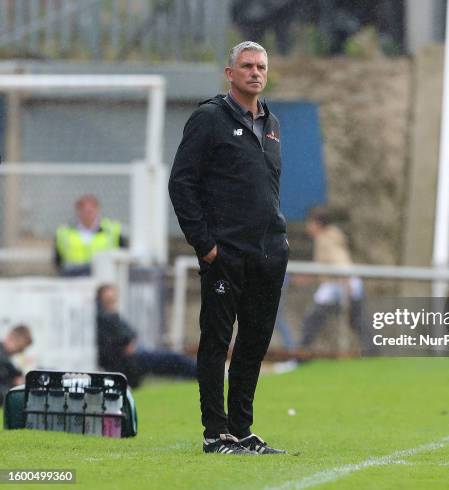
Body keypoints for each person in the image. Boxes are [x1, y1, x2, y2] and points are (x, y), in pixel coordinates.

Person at [169, 41, 289, 455]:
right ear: (230, 73)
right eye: (247, 66)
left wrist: (278, 237)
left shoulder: (272, 122)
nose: (255, 72)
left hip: (268, 254)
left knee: (253, 343)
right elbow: (181, 184)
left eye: (261, 66)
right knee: (217, 342)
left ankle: (241, 429)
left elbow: (267, 189)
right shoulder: (208, 118)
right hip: (225, 255)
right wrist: (205, 246)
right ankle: (214, 433)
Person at [96, 284, 197, 388]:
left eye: (113, 299)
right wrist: (125, 345)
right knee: (174, 360)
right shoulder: (102, 317)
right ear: (101, 299)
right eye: (108, 299)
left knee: (174, 359)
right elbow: (120, 340)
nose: (112, 301)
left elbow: (131, 332)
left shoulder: (111, 316)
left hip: (134, 356)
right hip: (130, 359)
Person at [298, 207, 364, 349]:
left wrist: (347, 282)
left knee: (312, 320)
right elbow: (325, 268)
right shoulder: (328, 237)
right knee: (357, 322)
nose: (308, 227)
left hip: (339, 287)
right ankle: (373, 353)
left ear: (318, 224)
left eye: (310, 223)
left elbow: (340, 262)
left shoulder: (327, 239)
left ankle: (301, 355)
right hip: (342, 285)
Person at [54, 194, 126, 276]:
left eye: (90, 211)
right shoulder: (64, 232)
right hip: (73, 276)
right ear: (78, 212)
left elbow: (123, 253)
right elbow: (58, 259)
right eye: (84, 211)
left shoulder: (112, 230)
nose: (88, 215)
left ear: (97, 210)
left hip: (104, 276)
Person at [0, 325, 33, 406]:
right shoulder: (3, 360)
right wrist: (14, 386)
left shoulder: (6, 361)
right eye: (20, 348)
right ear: (12, 337)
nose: (20, 352)